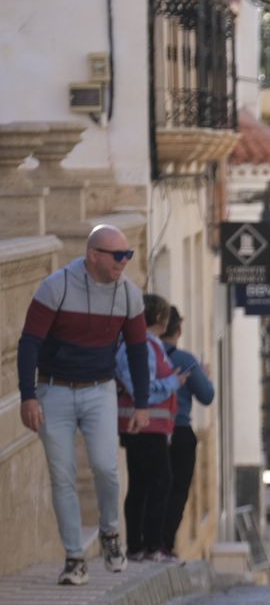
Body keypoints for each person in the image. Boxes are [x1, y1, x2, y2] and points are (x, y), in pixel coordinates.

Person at [17, 225, 150, 585]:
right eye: (117, 255)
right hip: (53, 390)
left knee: (107, 468)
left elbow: (139, 351)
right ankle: (75, 558)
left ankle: (110, 534)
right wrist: (28, 396)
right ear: (93, 255)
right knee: (62, 476)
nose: (124, 262)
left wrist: (142, 402)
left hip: (99, 390)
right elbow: (29, 343)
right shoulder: (56, 286)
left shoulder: (129, 295)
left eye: (128, 255)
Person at [115, 294, 186, 563]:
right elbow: (140, 388)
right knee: (159, 482)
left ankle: (138, 546)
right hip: (146, 426)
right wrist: (173, 383)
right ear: (159, 318)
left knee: (142, 485)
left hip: (146, 426)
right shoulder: (143, 346)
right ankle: (150, 545)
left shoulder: (146, 344)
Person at [159, 307, 214, 560]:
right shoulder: (185, 360)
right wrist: (204, 375)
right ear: (178, 329)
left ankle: (146, 543)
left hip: (151, 430)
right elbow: (207, 395)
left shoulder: (146, 355)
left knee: (151, 486)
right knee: (178, 489)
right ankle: (165, 543)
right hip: (179, 430)